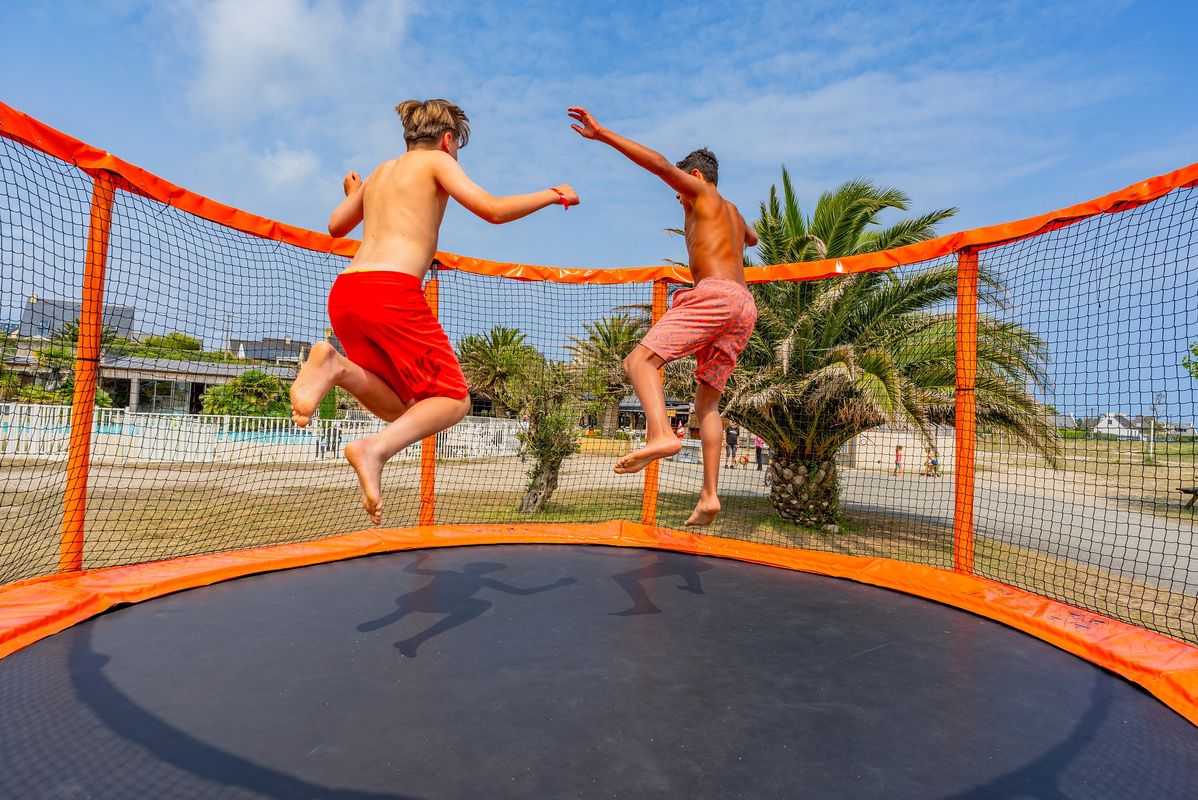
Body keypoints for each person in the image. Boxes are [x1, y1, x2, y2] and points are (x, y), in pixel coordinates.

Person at [290, 99, 579, 525]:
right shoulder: (437, 163)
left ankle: (335, 366)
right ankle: (374, 449)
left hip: (347, 293)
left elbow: (336, 226)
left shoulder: (381, 173)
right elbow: (493, 210)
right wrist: (553, 194)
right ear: (448, 141)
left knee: (401, 408)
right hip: (391, 291)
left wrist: (356, 195)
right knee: (452, 401)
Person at [568, 106, 757, 526]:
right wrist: (733, 232)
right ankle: (709, 495)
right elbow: (752, 237)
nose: (679, 196)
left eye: (684, 185)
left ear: (698, 177)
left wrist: (603, 134)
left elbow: (656, 163)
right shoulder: (734, 211)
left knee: (639, 360)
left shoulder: (701, 193)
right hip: (745, 307)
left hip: (716, 296)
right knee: (707, 407)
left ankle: (660, 434)